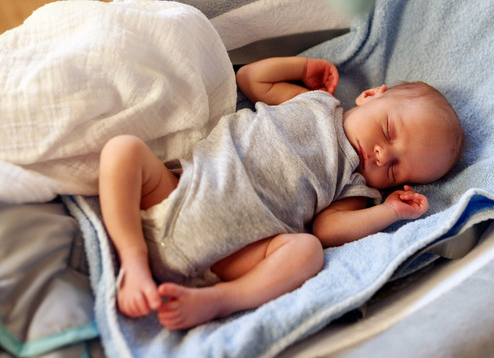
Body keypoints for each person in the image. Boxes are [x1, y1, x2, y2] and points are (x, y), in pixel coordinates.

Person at [98, 56, 464, 330]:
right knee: (122, 150)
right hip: (178, 193)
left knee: (306, 251)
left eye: (396, 168)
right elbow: (250, 77)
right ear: (369, 95)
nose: (383, 154)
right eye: (388, 130)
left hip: (231, 253)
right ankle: (134, 262)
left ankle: (218, 300)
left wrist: (390, 212)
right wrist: (303, 67)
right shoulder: (316, 102)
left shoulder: (357, 187)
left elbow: (328, 231)